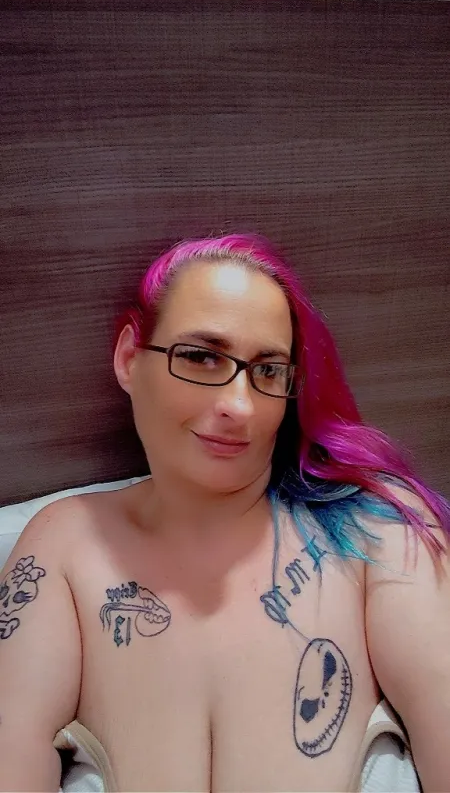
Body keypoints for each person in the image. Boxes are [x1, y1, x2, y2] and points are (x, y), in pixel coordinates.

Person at [1, 233, 449, 793]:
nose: (239, 406)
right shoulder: (64, 546)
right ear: (130, 358)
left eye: (269, 371)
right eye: (201, 357)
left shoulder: (377, 530)